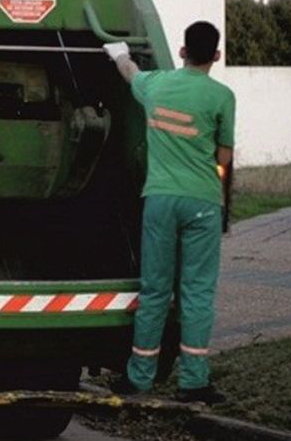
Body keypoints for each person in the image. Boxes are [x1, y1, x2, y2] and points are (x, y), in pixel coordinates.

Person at [104, 21, 235, 405]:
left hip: (160, 200)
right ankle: (193, 381)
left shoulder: (156, 85)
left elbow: (130, 73)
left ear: (181, 51)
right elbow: (223, 157)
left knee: (155, 290)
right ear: (216, 56)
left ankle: (139, 378)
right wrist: (220, 195)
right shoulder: (222, 96)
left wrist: (119, 54)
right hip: (203, 203)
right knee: (196, 292)